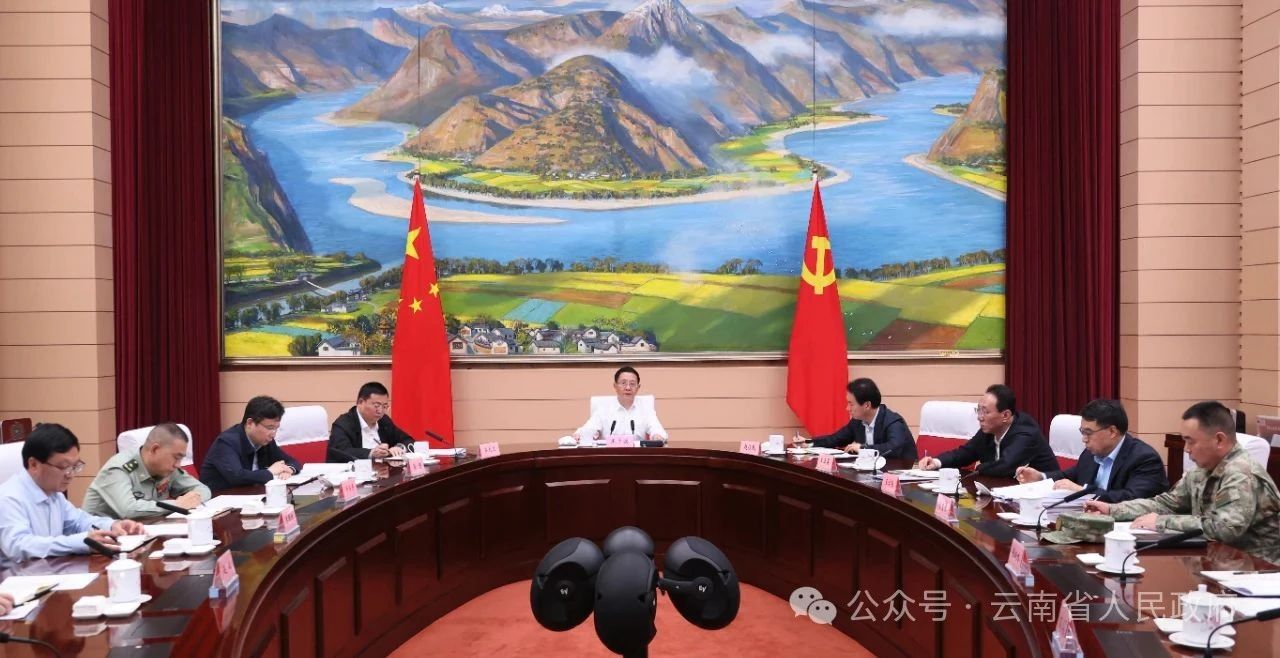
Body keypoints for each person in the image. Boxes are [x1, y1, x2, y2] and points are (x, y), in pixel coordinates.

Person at [1084, 401, 1280, 563]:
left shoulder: (1242, 473)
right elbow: (1166, 503)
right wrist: (1113, 510)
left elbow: (1224, 529)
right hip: (1217, 561)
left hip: (1259, 572)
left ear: (1219, 440)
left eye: (1191, 441)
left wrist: (1161, 522)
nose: (1186, 449)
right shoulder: (1203, 469)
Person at [0, 424, 144, 567]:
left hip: (49, 571)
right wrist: (82, 542)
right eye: (63, 467)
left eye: (75, 466)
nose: (70, 474)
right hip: (17, 576)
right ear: (34, 465)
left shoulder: (53, 493)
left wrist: (113, 526)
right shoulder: (9, 498)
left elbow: (78, 522)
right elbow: (18, 546)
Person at [1014, 399, 1167, 503]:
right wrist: (1041, 476)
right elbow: (1070, 475)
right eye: (1082, 432)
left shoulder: (1144, 459)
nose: (1084, 439)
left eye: (1088, 433)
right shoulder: (1091, 453)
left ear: (1112, 431)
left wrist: (1083, 491)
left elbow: (1133, 499)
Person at [915, 384, 1058, 477]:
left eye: (985, 412)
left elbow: (1005, 466)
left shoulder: (1026, 433)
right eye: (978, 410)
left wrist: (980, 467)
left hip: (1041, 499)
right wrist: (937, 462)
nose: (979, 417)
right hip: (1004, 493)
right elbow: (965, 453)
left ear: (1005, 415)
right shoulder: (989, 430)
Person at [83, 423, 211, 519]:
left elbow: (203, 489)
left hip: (141, 532)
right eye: (176, 457)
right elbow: (128, 510)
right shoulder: (119, 469)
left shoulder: (168, 468)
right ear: (155, 449)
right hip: (100, 539)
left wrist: (194, 498)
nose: (178, 464)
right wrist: (177, 505)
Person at [790, 378, 917, 460]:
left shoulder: (892, 422)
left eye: (851, 404)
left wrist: (863, 449)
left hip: (900, 479)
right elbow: (835, 439)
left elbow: (893, 448)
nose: (847, 408)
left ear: (867, 405)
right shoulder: (857, 422)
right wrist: (808, 442)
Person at [200, 396, 302, 493]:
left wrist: (289, 469)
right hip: (220, 500)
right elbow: (237, 477)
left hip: (252, 496)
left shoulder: (265, 440)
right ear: (250, 423)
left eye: (276, 428)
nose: (273, 434)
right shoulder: (226, 442)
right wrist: (270, 472)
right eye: (270, 428)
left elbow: (292, 461)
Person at [574, 366, 668, 443]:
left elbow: (658, 431)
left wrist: (657, 436)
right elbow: (587, 430)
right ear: (615, 386)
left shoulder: (645, 409)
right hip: (609, 456)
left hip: (637, 456)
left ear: (638, 387)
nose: (628, 388)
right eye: (623, 383)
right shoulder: (604, 409)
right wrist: (580, 435)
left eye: (632, 384)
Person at [327, 382, 415, 462]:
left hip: (383, 471)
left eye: (385, 406)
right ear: (360, 402)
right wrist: (371, 453)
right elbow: (341, 451)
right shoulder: (343, 424)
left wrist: (399, 448)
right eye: (376, 406)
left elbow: (408, 440)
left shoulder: (384, 421)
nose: (380, 411)